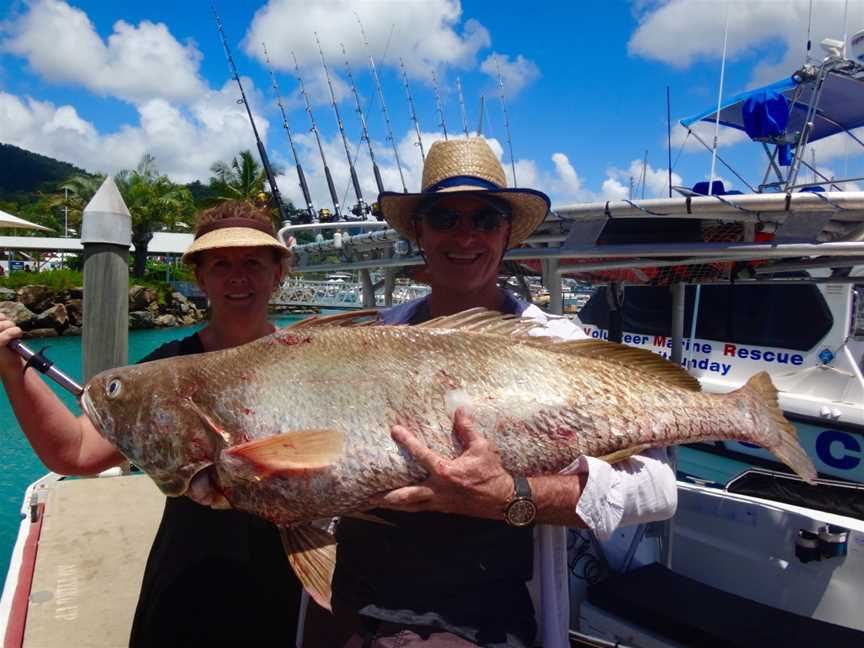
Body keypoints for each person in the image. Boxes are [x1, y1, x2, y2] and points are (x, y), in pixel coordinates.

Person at [315, 138, 678, 648]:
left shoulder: (558, 344)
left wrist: (514, 496)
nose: (465, 235)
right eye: (445, 217)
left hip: (481, 623)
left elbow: (659, 490)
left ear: (506, 233)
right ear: (419, 231)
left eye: (484, 219)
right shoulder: (376, 336)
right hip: (356, 608)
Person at [0, 200, 302, 647]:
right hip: (189, 586)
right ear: (200, 277)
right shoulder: (165, 368)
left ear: (277, 273)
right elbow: (77, 452)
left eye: (253, 262)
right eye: (221, 263)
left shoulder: (312, 357)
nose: (238, 276)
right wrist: (12, 367)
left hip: (297, 581)